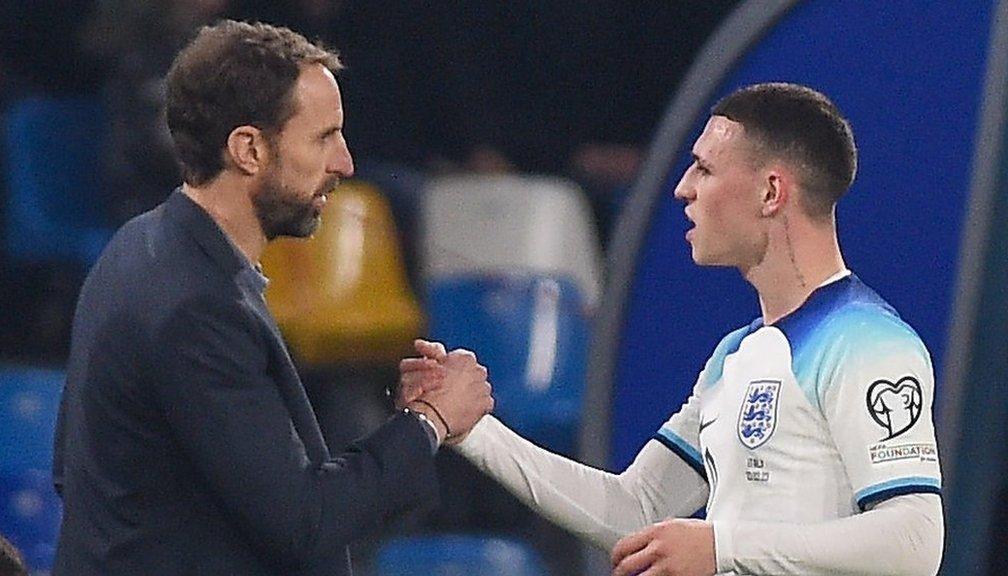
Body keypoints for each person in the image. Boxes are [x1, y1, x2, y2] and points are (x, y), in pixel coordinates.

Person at [400, 83, 943, 575]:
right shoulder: (738, 354)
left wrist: (723, 547)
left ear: (771, 192)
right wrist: (473, 429)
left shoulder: (867, 343)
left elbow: (916, 538)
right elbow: (634, 508)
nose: (683, 189)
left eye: (705, 169)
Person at [52, 20, 493, 576]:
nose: (346, 164)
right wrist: (430, 421)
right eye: (323, 137)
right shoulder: (197, 306)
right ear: (249, 149)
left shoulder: (139, 247)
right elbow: (309, 525)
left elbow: (74, 471)